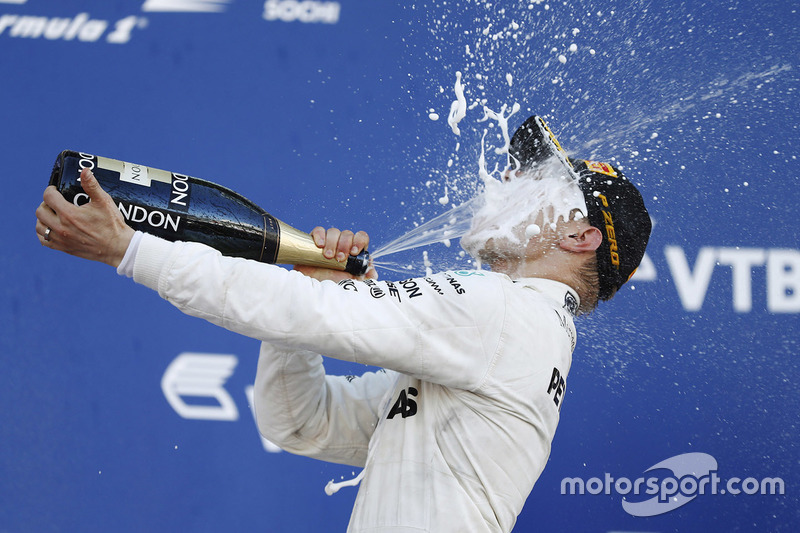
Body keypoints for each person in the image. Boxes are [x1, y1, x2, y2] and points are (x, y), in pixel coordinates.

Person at [35, 115, 651, 532]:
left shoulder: (505, 311)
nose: (508, 181)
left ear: (579, 235)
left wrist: (129, 249)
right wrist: (310, 287)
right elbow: (301, 423)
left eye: (536, 179)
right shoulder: (518, 332)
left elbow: (305, 317)